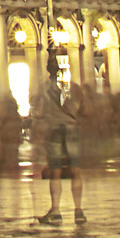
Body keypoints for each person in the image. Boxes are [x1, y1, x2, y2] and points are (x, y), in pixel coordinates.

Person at [36, 81, 86, 224]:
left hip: (55, 129)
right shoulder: (74, 87)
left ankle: (56, 210)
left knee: (55, 171)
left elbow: (40, 112)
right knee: (76, 171)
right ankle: (78, 210)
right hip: (71, 128)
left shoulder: (45, 88)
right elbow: (82, 108)